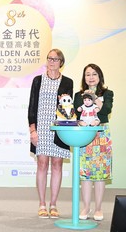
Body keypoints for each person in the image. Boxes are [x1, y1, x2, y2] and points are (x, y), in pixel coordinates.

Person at [28, 48, 73, 219]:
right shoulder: (38, 80)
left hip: (59, 129)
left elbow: (68, 109)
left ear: (61, 62)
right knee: (42, 164)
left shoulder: (67, 82)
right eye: (49, 58)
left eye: (55, 59)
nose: (52, 61)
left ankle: (53, 204)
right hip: (41, 128)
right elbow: (32, 106)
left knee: (57, 165)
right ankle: (41, 204)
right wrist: (33, 130)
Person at [74, 64, 113, 221]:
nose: (90, 77)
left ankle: (98, 208)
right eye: (87, 74)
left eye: (94, 74)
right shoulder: (78, 95)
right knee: (86, 173)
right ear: (84, 78)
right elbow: (77, 114)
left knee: (100, 174)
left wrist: (95, 98)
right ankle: (86, 207)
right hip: (84, 135)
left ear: (100, 77)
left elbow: (106, 111)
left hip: (102, 134)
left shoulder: (107, 93)